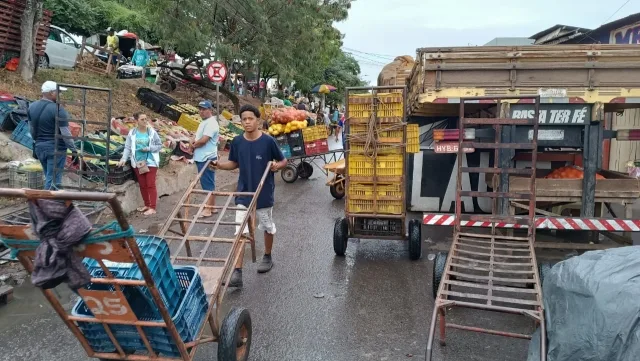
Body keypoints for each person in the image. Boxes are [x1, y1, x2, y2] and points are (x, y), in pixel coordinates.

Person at [212, 104, 288, 287]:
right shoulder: (237, 141)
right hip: (244, 191)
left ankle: (267, 256)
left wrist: (278, 166)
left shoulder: (268, 141)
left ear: (258, 120)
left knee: (267, 226)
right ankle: (237, 272)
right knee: (240, 230)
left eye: (250, 118)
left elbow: (283, 160)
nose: (247, 122)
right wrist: (220, 165)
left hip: (264, 190)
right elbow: (234, 163)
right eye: (244, 119)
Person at [28, 81, 78, 190]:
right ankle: (46, 204)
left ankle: (54, 204)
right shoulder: (58, 110)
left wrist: (37, 143)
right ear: (51, 93)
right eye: (58, 92)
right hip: (55, 149)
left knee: (49, 177)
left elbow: (31, 129)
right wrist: (74, 150)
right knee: (53, 181)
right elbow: (65, 133)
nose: (60, 95)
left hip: (40, 148)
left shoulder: (32, 107)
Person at [117, 112, 162, 216]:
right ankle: (147, 204)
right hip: (138, 162)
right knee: (142, 185)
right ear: (136, 121)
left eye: (146, 119)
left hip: (151, 162)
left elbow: (159, 145)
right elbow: (127, 147)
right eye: (142, 119)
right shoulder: (132, 133)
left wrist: (149, 148)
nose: (145, 121)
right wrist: (124, 158)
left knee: (150, 184)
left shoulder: (151, 132)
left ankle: (153, 207)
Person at [191, 100, 220, 218]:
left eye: (204, 109)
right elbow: (198, 137)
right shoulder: (205, 122)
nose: (201, 111)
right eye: (200, 109)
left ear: (210, 110)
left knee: (207, 184)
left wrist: (192, 146)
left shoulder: (211, 123)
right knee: (209, 183)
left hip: (206, 158)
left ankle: (208, 210)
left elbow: (203, 141)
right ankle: (212, 207)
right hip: (203, 157)